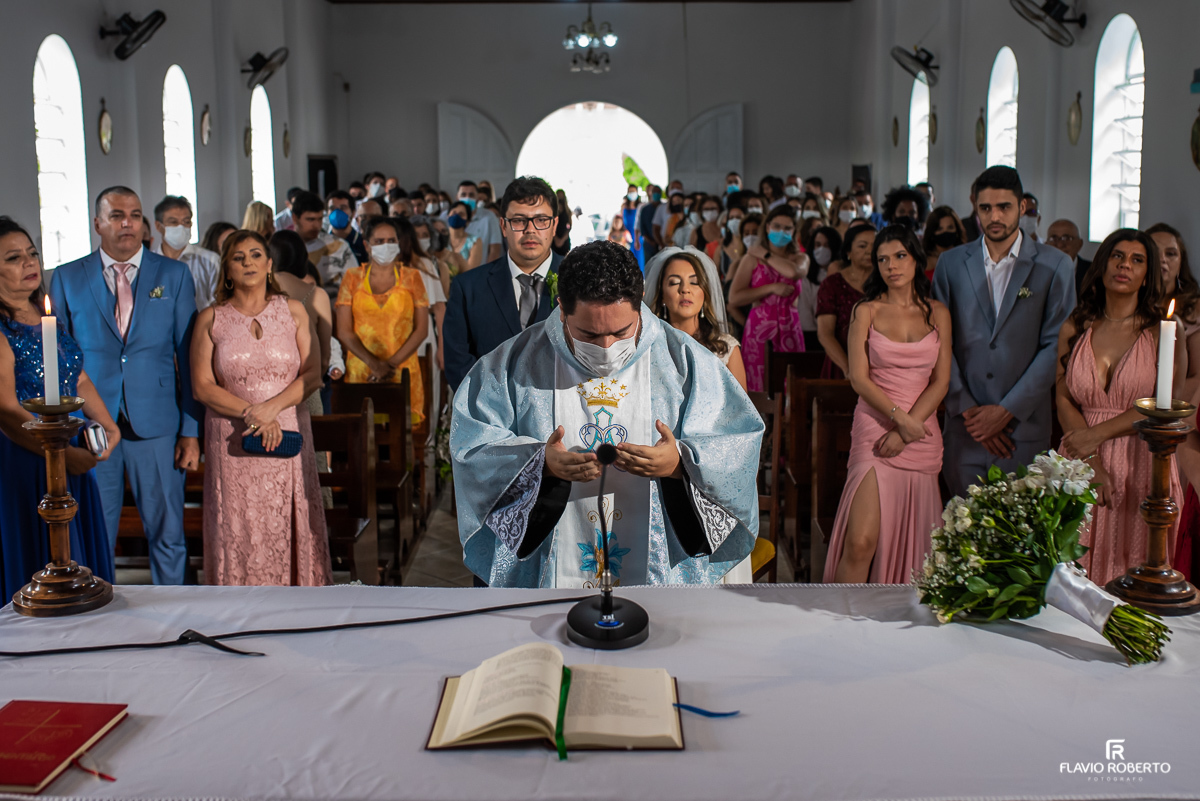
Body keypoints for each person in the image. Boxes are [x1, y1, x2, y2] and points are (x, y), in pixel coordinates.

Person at [451, 239, 763, 587]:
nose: (606, 348)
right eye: (589, 334)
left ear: (639, 306)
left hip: (655, 562)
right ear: (562, 308)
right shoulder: (511, 364)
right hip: (550, 564)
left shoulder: (686, 361)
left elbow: (737, 443)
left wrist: (679, 463)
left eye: (621, 332)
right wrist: (540, 464)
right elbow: (473, 449)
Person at [49, 186, 202, 585]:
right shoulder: (67, 277)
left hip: (158, 423)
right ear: (97, 223)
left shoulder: (173, 275)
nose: (127, 223)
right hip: (92, 423)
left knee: (168, 532)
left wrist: (191, 430)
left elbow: (189, 358)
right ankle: (99, 614)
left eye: (134, 214)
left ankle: (174, 613)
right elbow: (61, 360)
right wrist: (66, 428)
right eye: (116, 215)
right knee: (97, 531)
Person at [190, 230, 330, 587]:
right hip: (233, 436)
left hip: (286, 427)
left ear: (269, 265)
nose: (248, 262)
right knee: (238, 524)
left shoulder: (294, 311)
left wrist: (272, 408)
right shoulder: (211, 319)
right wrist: (253, 413)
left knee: (286, 518)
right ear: (227, 270)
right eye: (239, 258)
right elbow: (203, 386)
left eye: (255, 255)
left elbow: (313, 373)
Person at [933, 166, 1075, 498]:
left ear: (1022, 206)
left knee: (1019, 541)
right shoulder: (951, 265)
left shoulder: (1055, 265)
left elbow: (1056, 344)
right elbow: (939, 341)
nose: (994, 216)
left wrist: (1006, 411)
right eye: (986, 208)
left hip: (1021, 429)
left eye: (1004, 207)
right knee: (962, 536)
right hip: (965, 428)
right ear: (975, 208)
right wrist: (969, 411)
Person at [823, 225, 951, 583]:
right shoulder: (866, 310)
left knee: (920, 548)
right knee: (860, 541)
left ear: (915, 259)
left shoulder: (937, 313)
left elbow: (941, 381)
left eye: (899, 256)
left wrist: (909, 429)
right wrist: (900, 421)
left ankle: (897, 628)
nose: (891, 266)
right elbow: (859, 379)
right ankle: (840, 624)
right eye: (882, 259)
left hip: (920, 430)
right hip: (875, 425)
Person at [0, 216, 119, 602]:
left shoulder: (46, 315)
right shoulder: (2, 330)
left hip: (71, 452)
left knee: (80, 563)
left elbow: (78, 378)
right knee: (44, 560)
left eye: (32, 253)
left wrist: (107, 424)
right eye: (14, 258)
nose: (29, 263)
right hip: (27, 458)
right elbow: (3, 408)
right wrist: (60, 455)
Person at [1056, 229, 1183, 587]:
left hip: (1141, 458)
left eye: (1137, 260)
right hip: (1080, 455)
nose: (1125, 265)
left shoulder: (1163, 332)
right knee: (1073, 577)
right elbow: (1063, 397)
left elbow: (1164, 405)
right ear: (1102, 265)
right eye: (1117, 256)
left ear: (1148, 274)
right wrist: (1091, 460)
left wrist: (1095, 436)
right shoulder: (1076, 326)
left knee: (1134, 569)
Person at [444, 177, 564, 390]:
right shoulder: (468, 288)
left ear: (554, 225)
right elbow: (458, 363)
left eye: (541, 220)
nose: (530, 230)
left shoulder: (578, 282)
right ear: (503, 226)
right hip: (488, 416)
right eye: (519, 220)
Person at [335, 216, 429, 424]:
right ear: (367, 246)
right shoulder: (352, 278)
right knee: (362, 439)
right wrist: (374, 365)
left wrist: (389, 365)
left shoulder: (412, 277)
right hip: (362, 372)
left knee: (401, 443)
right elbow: (344, 331)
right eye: (379, 241)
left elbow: (421, 330)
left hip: (402, 371)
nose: (386, 246)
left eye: (391, 240)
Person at [1148, 223, 1200, 580]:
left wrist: (1162, 400)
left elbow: (1197, 376)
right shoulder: (1130, 302)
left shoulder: (1193, 309)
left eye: (1172, 253)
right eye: (1156, 252)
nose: (1164, 261)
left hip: (1175, 417)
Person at [645, 247, 746, 391]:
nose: (685, 289)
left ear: (704, 293)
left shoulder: (726, 348)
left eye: (694, 282)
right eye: (674, 282)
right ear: (661, 295)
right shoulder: (648, 345)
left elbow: (742, 410)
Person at [730, 206, 807, 392]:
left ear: (794, 232)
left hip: (790, 327)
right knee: (759, 385)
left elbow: (793, 272)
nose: (781, 232)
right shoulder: (751, 260)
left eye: (787, 228)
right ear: (767, 228)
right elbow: (734, 298)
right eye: (777, 226)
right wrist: (771, 288)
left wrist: (766, 254)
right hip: (759, 329)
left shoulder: (800, 258)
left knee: (792, 384)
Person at [817, 225, 875, 378]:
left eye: (875, 246)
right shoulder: (832, 284)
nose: (870, 251)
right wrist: (848, 369)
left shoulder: (885, 284)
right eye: (862, 246)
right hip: (841, 364)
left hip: (880, 366)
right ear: (848, 251)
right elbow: (825, 334)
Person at [152, 195, 221, 310]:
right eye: (173, 222)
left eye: (186, 222)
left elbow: (219, 304)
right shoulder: (149, 263)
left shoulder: (210, 261)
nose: (181, 227)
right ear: (159, 226)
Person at [292, 191, 357, 288]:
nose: (317, 226)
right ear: (295, 218)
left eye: (320, 219)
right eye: (310, 219)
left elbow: (356, 283)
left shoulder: (338, 246)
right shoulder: (284, 246)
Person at [799, 226, 842, 351]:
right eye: (818, 245)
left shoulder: (844, 276)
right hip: (814, 341)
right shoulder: (806, 278)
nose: (822, 249)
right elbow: (806, 319)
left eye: (827, 245)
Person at [457, 181, 503, 263]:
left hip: (481, 271)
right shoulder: (448, 216)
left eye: (471, 195)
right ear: (457, 197)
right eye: (463, 195)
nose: (467, 198)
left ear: (477, 197)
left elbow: (494, 251)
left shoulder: (489, 217)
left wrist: (487, 274)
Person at [1044, 219, 1091, 294]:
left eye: (1067, 238)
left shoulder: (1093, 272)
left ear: (1079, 244)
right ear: (1046, 244)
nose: (1060, 244)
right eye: (1054, 238)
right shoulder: (1037, 272)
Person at [920, 206, 967, 280]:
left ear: (957, 231)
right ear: (932, 233)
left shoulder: (966, 259)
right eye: (939, 229)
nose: (945, 232)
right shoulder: (922, 262)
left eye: (950, 228)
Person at [326, 190, 367, 264]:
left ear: (353, 213)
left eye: (342, 208)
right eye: (332, 209)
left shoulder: (364, 243)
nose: (337, 213)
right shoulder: (323, 244)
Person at [445, 200, 484, 274]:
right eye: (454, 213)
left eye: (461, 214)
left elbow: (471, 272)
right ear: (447, 216)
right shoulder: (442, 239)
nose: (456, 216)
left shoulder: (474, 241)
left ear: (467, 221)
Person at [637, 184, 662, 263]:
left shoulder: (664, 207)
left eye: (658, 192)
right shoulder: (645, 209)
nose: (656, 194)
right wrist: (651, 242)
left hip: (663, 244)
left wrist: (661, 242)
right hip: (649, 245)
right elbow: (642, 228)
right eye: (655, 192)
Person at [552, 188, 573, 257]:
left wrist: (562, 239)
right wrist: (556, 239)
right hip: (554, 239)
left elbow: (569, 227)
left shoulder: (567, 212)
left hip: (564, 241)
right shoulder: (553, 211)